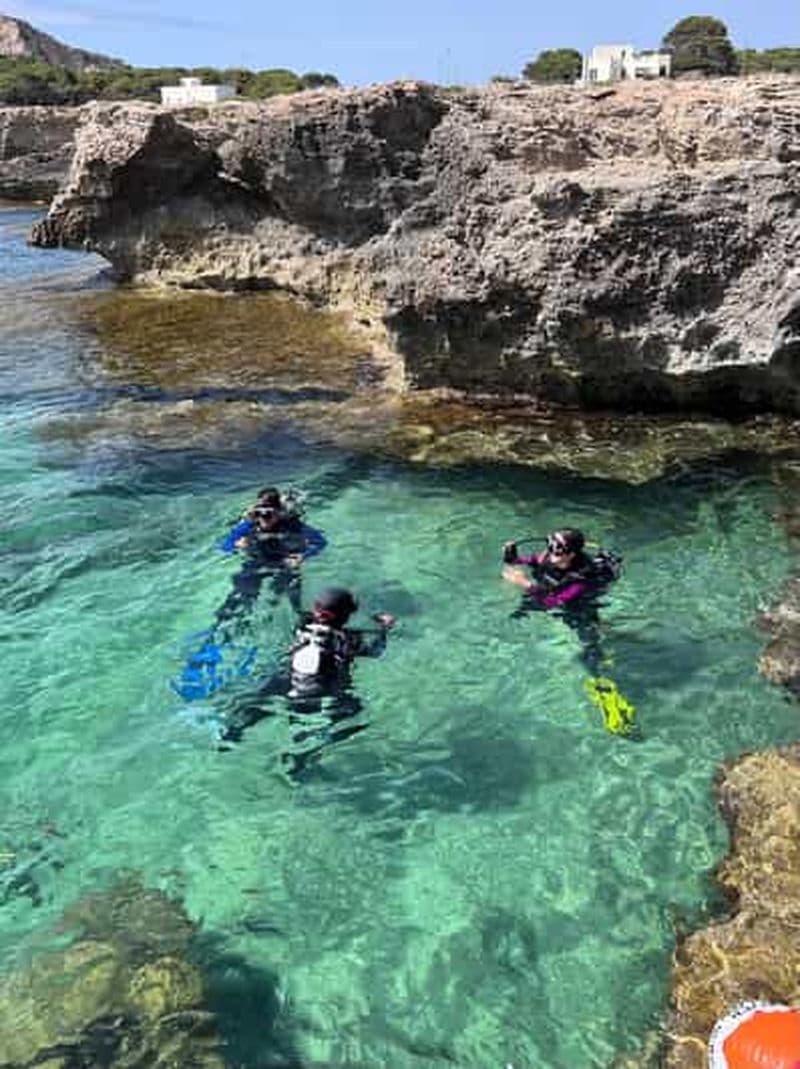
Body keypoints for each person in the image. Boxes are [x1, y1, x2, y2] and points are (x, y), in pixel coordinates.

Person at [219, 587, 396, 776]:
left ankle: (233, 732)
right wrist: (385, 628)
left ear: (316, 610)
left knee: (260, 703)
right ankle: (301, 759)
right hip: (316, 688)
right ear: (346, 616)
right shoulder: (349, 640)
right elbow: (376, 650)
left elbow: (298, 604)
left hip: (286, 678)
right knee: (352, 714)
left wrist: (294, 584)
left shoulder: (303, 624)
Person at [501, 529, 634, 735]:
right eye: (550, 543)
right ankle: (606, 632)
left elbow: (553, 602)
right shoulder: (547, 557)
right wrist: (510, 555)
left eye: (557, 547)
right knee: (520, 613)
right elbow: (522, 561)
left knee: (589, 648)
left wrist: (525, 584)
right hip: (552, 597)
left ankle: (605, 688)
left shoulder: (580, 578)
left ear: (571, 554)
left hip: (578, 609)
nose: (550, 550)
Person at [216, 487, 326, 622]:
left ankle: (296, 616)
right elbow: (224, 546)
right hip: (257, 561)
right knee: (241, 592)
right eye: (259, 514)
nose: (263, 519)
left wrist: (303, 556)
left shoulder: (293, 526)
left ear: (278, 512)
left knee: (286, 595)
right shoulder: (250, 524)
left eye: (268, 515)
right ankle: (223, 622)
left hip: (284, 562)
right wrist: (236, 545)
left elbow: (320, 542)